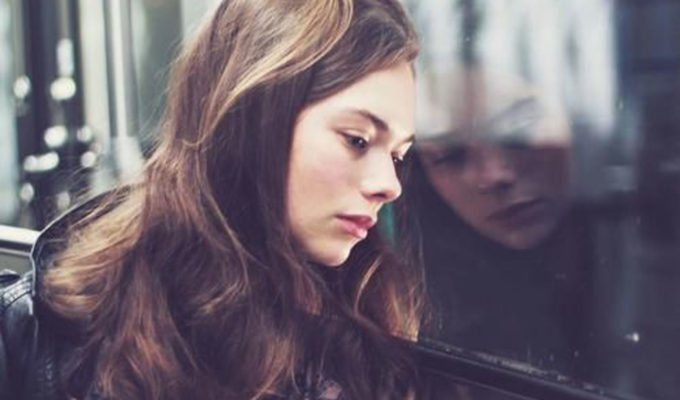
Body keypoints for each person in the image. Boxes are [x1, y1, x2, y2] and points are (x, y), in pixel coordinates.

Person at [0, 1, 426, 399]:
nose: (390, 185)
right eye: (357, 140)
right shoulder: (46, 332)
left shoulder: (370, 330)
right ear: (256, 117)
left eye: (397, 156)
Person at [410, 65, 595, 375]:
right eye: (451, 156)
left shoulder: (638, 258)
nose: (495, 174)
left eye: (518, 129)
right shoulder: (411, 309)